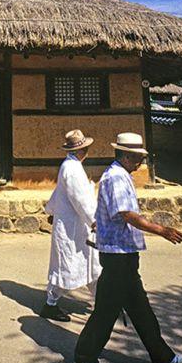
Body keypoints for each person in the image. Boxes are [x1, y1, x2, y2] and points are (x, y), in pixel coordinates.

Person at [73, 132, 182, 363]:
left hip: (124, 252)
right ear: (125, 156)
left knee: (139, 308)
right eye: (137, 158)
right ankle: (84, 357)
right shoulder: (115, 177)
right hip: (117, 254)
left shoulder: (121, 175)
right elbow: (127, 214)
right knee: (107, 310)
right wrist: (161, 230)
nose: (139, 163)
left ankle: (163, 359)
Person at [40, 129, 102, 322]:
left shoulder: (69, 166)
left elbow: (59, 192)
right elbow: (81, 199)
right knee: (68, 267)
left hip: (75, 225)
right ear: (83, 151)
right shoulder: (73, 169)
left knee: (93, 266)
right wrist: (95, 221)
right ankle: (50, 304)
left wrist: (52, 210)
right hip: (72, 228)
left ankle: (103, 304)